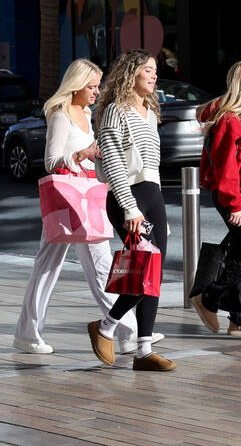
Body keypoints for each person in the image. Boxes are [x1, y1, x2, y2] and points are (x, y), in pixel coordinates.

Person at [14, 58, 138, 356]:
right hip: (66, 200)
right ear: (76, 85)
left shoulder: (86, 113)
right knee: (48, 267)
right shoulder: (60, 116)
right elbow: (50, 163)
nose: (96, 92)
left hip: (88, 198)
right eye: (91, 86)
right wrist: (83, 153)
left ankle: (128, 330)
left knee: (102, 266)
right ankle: (27, 334)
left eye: (97, 86)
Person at [87, 49, 176, 372]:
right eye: (147, 70)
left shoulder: (149, 112)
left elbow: (150, 166)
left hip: (153, 197)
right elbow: (111, 162)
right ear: (130, 74)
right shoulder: (115, 111)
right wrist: (129, 207)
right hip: (130, 199)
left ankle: (144, 350)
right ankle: (107, 326)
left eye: (155, 71)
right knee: (143, 274)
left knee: (154, 277)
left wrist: (156, 209)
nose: (154, 75)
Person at [190, 60, 241, 336]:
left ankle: (240, 319)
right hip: (236, 196)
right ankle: (208, 298)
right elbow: (226, 166)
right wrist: (234, 203)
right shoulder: (231, 120)